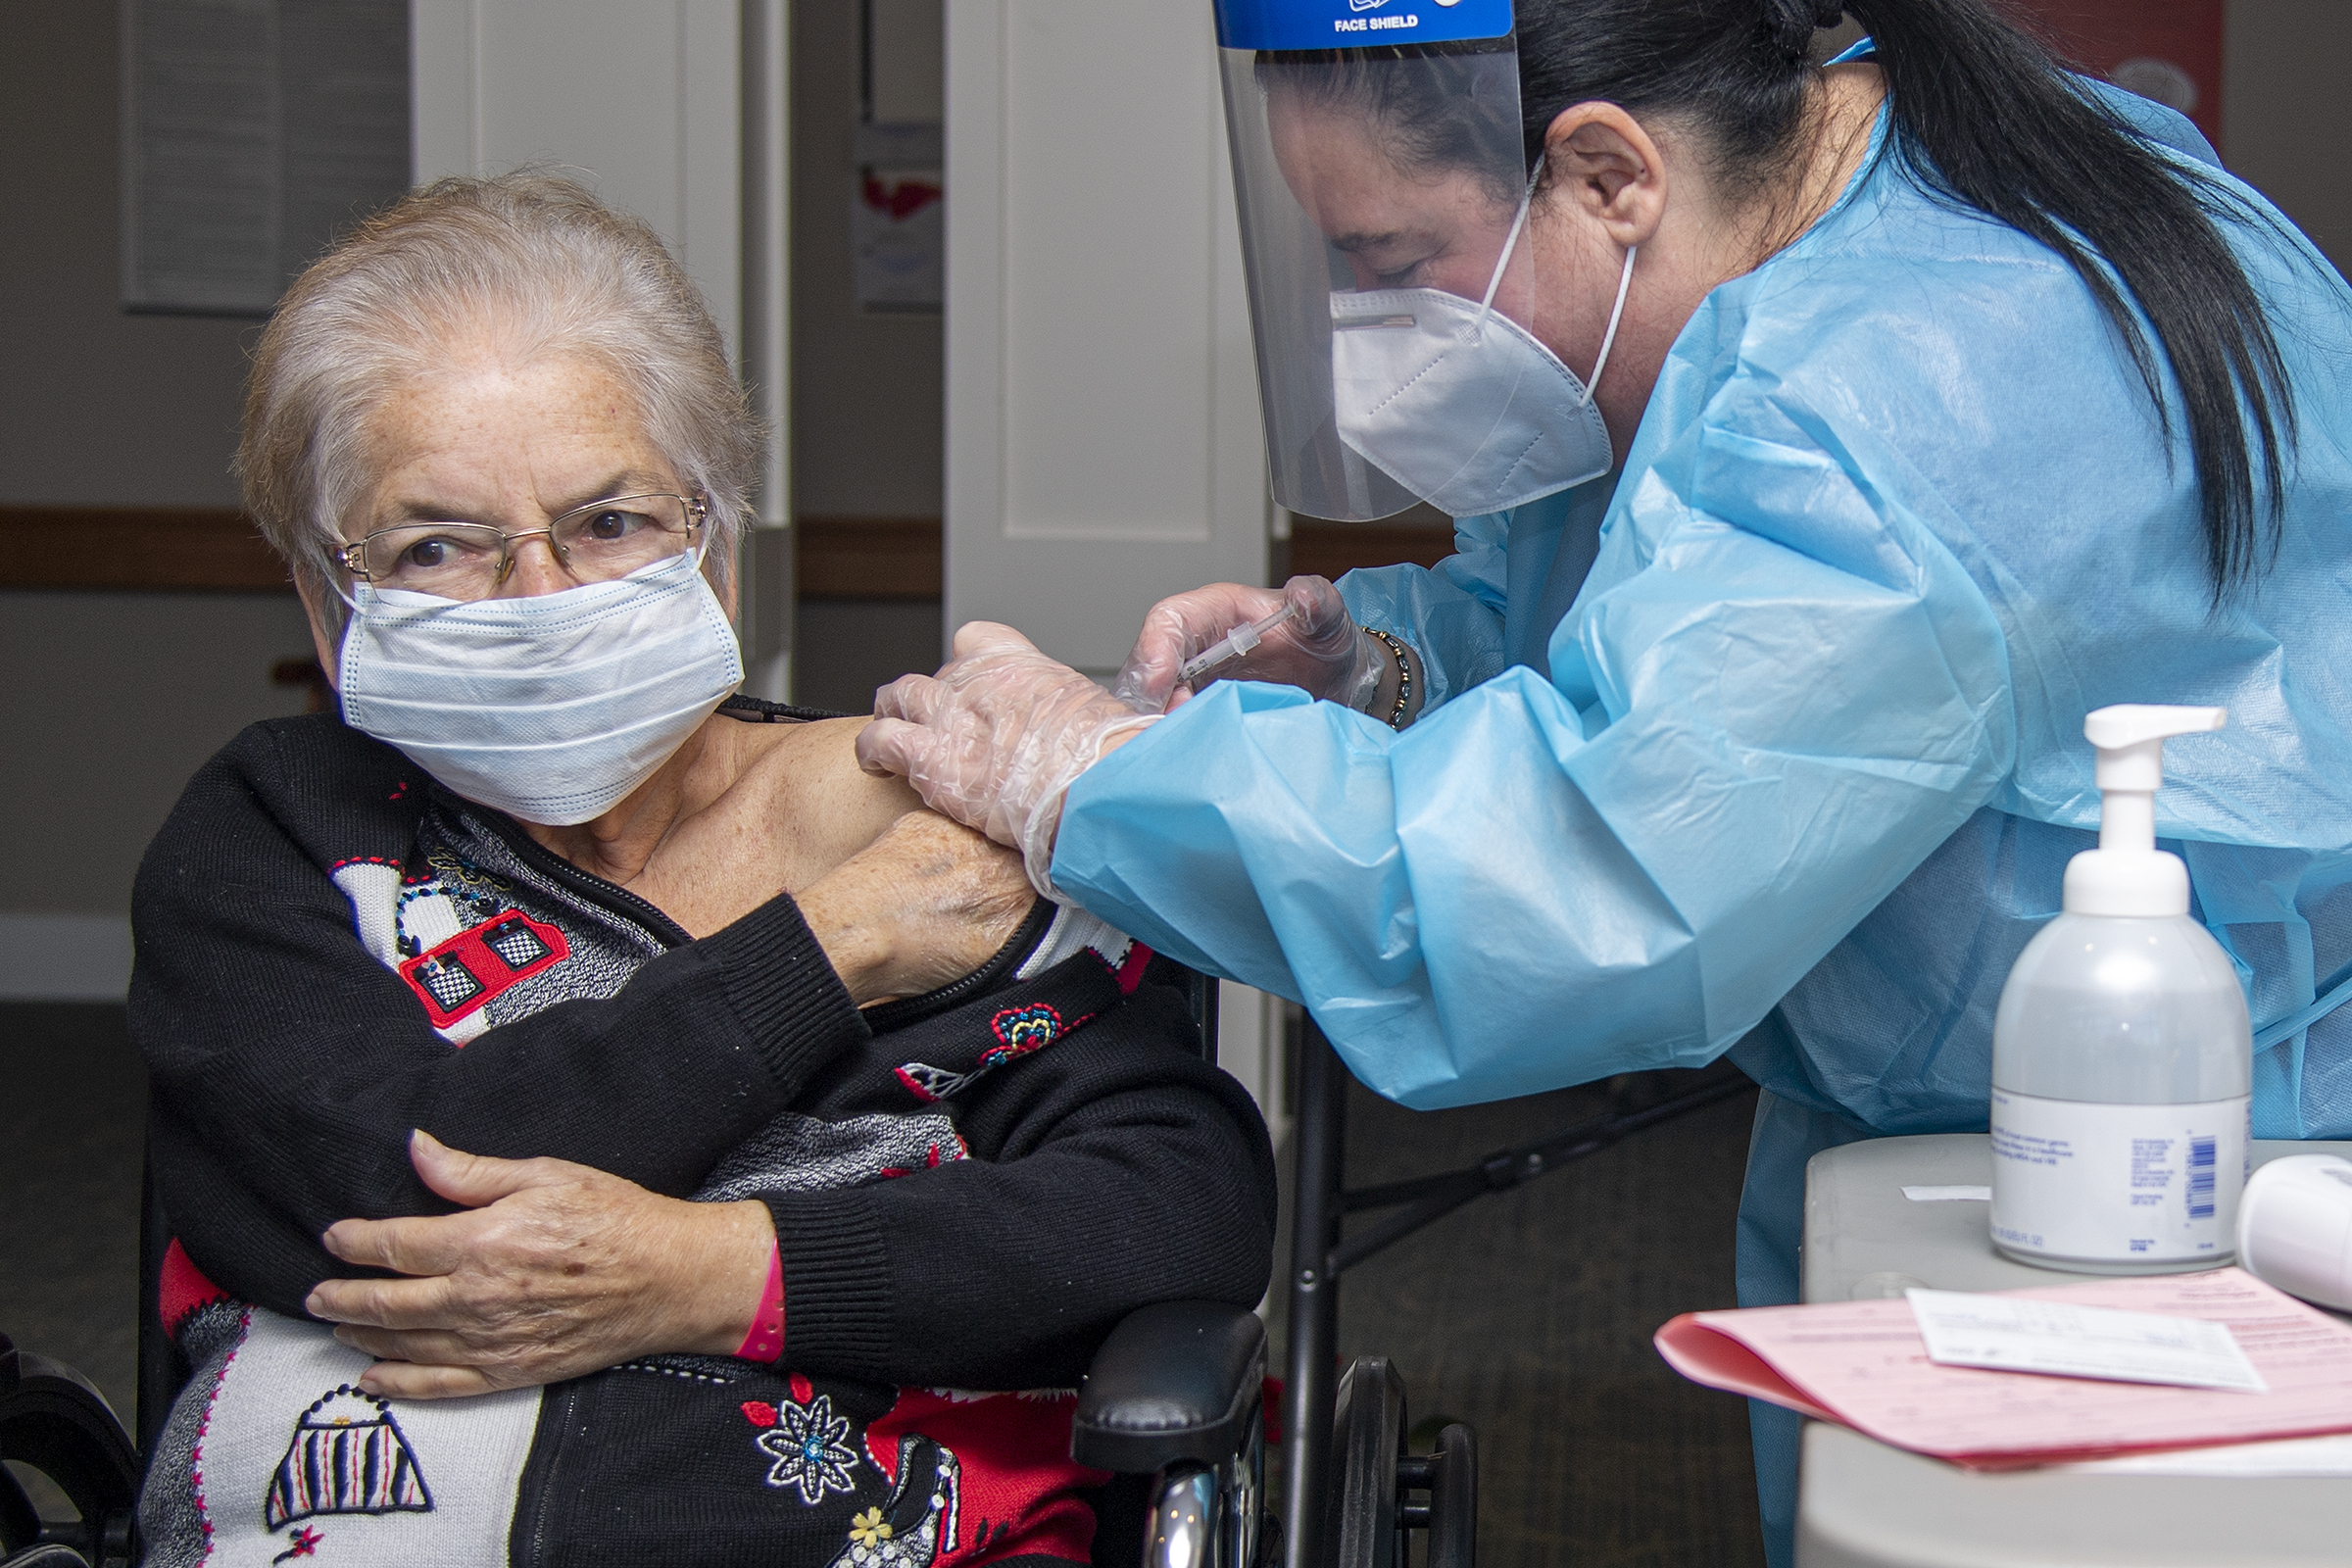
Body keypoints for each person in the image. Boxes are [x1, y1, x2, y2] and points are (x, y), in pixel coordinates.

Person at [854, 1, 2352, 1558]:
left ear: (1607, 173)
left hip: (2175, 1180)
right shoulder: (1903, 181)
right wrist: (1381, 666)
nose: (1369, 329)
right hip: (2007, 1128)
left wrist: (1082, 774)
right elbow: (1685, 631)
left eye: (1387, 262)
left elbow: (1576, 886)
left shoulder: (1905, 398)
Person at [130, 172, 1276, 1568]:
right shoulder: (283, 829)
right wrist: (829, 948)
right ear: (331, 601)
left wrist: (716, 1277)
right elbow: (395, 1195)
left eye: (610, 523)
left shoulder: (933, 816)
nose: (543, 602)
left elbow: (1176, 1214)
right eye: (439, 545)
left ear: (717, 552)